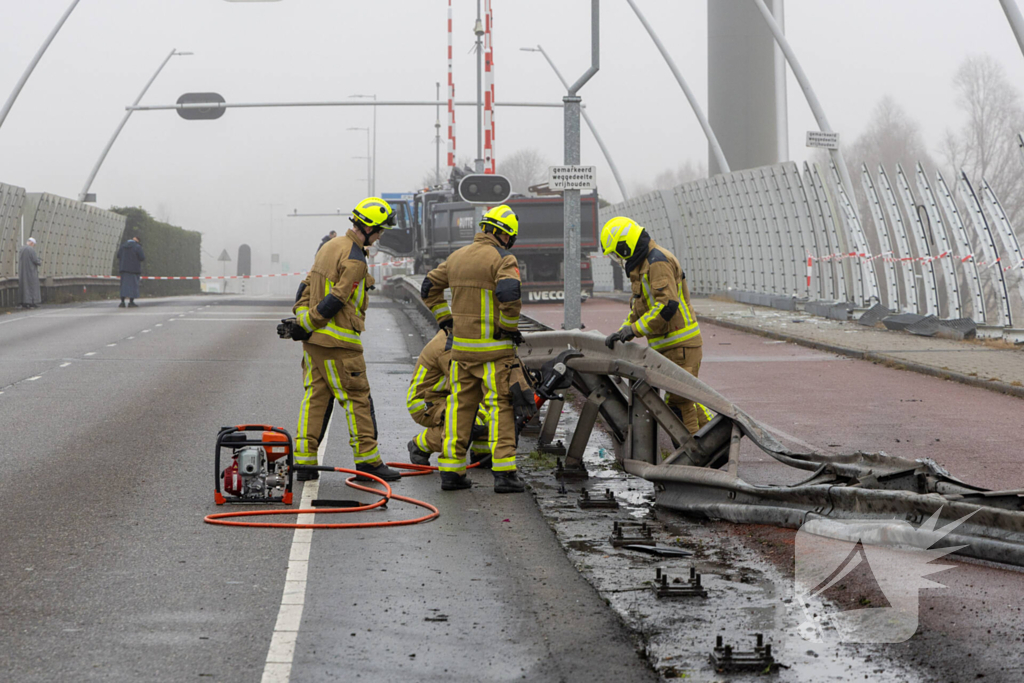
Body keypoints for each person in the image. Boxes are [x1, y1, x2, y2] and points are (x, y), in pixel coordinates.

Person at [281, 197, 401, 483]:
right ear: (369, 227)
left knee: (315, 399)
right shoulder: (355, 259)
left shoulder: (329, 247)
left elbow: (304, 289)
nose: (381, 235)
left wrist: (302, 323)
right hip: (340, 345)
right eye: (380, 230)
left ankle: (306, 464)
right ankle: (368, 463)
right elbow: (337, 299)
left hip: (313, 344)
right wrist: (307, 323)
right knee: (358, 399)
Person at [421, 204, 527, 493]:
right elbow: (509, 293)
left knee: (459, 407)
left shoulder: (457, 257)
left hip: (461, 353)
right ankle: (504, 474)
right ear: (504, 234)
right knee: (499, 407)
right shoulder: (503, 259)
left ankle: (451, 473)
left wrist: (445, 319)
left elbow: (428, 286)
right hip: (494, 353)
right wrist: (508, 327)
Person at [600, 216, 712, 435]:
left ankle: (693, 457)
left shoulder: (657, 262)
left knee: (678, 403)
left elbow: (666, 306)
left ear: (626, 245)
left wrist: (633, 331)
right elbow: (640, 309)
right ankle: (717, 439)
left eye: (617, 252)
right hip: (668, 348)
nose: (618, 258)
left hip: (680, 346)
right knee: (687, 398)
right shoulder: (643, 265)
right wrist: (623, 331)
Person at [406, 329, 491, 467]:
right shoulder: (448, 347)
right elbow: (463, 384)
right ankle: (420, 444)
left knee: (487, 411)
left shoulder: (456, 334)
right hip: (425, 402)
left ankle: (481, 454)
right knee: (468, 420)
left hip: (442, 398)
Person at [117, 236, 145, 308]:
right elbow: (142, 257)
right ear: (137, 240)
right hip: (134, 270)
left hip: (124, 269)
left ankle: (122, 302)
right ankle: (131, 302)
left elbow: (118, 255)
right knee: (133, 286)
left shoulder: (123, 246)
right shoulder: (137, 247)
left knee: (123, 286)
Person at [17, 237, 42, 309]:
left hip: (22, 272)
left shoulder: (21, 249)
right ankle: (31, 302)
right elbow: (35, 260)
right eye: (33, 244)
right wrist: (40, 261)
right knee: (32, 286)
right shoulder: (31, 249)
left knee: (23, 286)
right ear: (31, 243)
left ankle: (23, 302)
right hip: (31, 272)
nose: (33, 245)